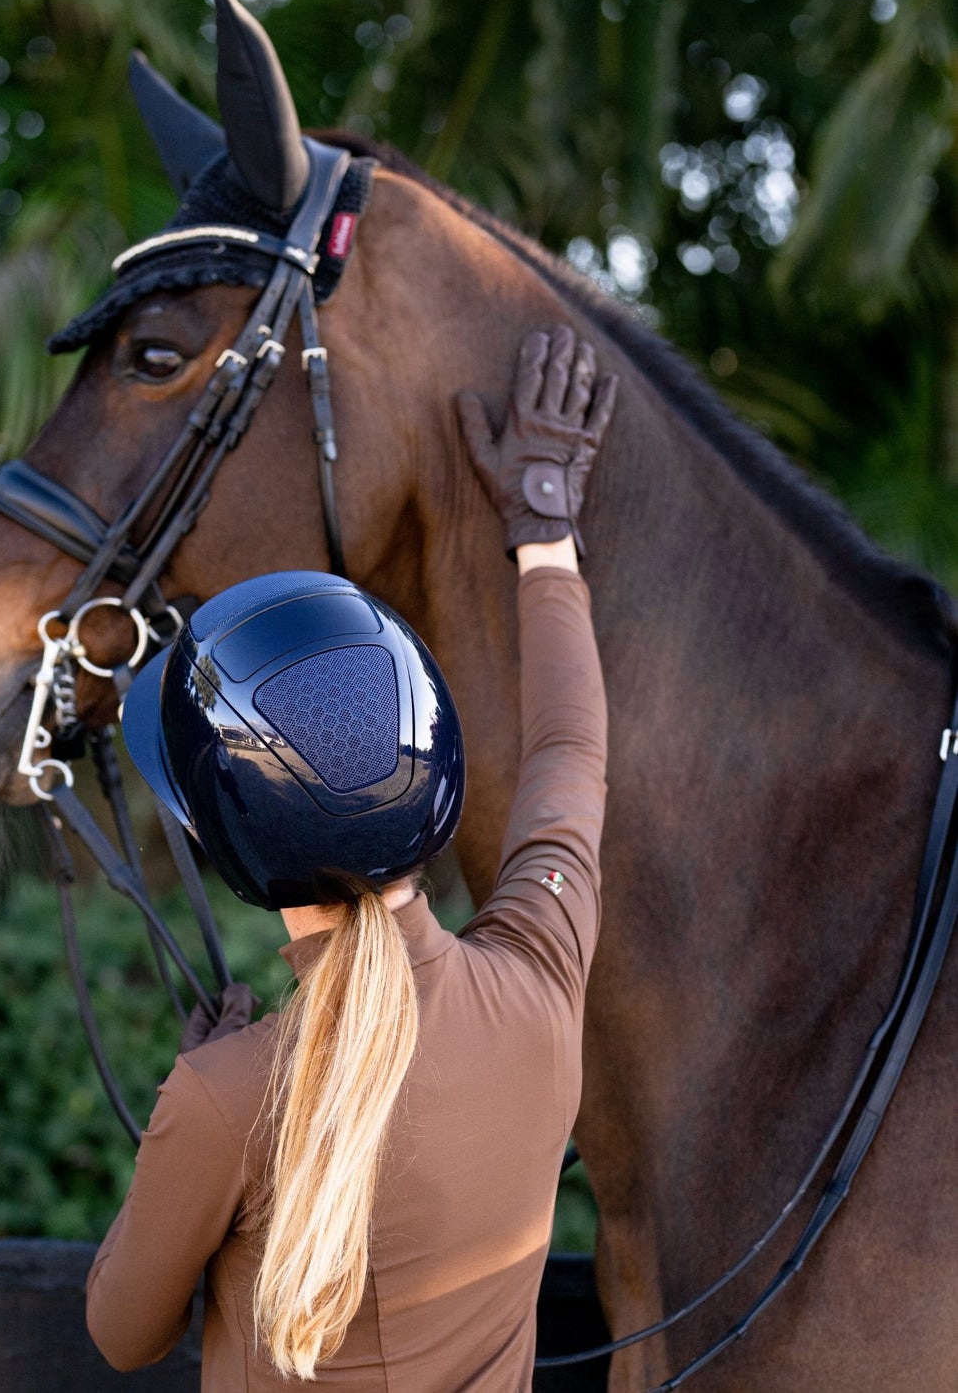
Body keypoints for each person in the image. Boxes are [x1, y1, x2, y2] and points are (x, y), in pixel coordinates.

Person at [90, 325, 613, 1390]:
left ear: (223, 839)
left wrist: (189, 1121)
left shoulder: (224, 1098)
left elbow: (121, 1331)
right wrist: (544, 528)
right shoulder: (541, 983)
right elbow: (570, 751)